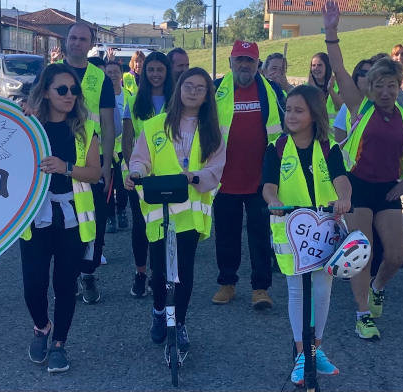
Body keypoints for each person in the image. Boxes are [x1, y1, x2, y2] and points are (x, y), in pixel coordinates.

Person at [323, 1, 403, 340]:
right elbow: (338, 69)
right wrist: (331, 31)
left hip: (387, 189)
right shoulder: (359, 106)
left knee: (396, 257)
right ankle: (362, 314)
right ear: (370, 86)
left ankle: (378, 287)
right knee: (362, 252)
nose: (385, 92)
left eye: (391, 86)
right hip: (357, 188)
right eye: (379, 85)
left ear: (399, 88)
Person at [125, 67, 226, 354]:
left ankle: (178, 322)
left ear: (207, 96)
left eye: (200, 88)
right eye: (188, 86)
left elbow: (216, 169)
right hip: (160, 211)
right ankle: (159, 312)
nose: (193, 92)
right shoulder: (155, 126)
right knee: (159, 271)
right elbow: (141, 159)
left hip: (191, 214)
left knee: (183, 272)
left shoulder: (212, 131)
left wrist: (194, 177)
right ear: (179, 89)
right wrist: (134, 173)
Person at [262, 85, 352, 386]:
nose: (291, 115)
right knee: (297, 291)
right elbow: (269, 185)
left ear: (314, 114)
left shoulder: (328, 148)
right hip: (290, 228)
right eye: (288, 109)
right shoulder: (276, 147)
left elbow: (342, 180)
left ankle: (316, 350)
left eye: (299, 110)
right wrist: (273, 202)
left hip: (325, 227)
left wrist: (344, 199)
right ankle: (303, 354)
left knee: (323, 292)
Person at [20, 63, 102, 373]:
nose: (70, 95)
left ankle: (60, 345)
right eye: (62, 90)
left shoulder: (85, 128)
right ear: (45, 92)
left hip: (72, 217)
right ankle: (42, 327)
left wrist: (65, 167)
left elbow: (95, 174)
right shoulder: (28, 125)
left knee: (65, 285)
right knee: (33, 286)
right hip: (33, 217)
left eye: (74, 90)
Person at [211, 40, 286, 309]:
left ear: (258, 65)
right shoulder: (216, 89)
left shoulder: (272, 90)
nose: (244, 65)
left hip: (261, 181)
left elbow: (286, 129)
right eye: (239, 59)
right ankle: (227, 283)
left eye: (250, 60)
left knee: (260, 237)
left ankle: (261, 288)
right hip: (224, 179)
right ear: (230, 62)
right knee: (226, 235)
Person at [53, 24, 116, 304]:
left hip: (89, 159)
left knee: (94, 219)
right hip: (56, 158)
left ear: (91, 44)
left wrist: (107, 163)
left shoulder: (99, 78)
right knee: (58, 221)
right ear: (66, 41)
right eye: (73, 38)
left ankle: (88, 272)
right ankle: (67, 274)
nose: (77, 43)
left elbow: (107, 123)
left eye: (83, 39)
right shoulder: (51, 73)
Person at [121, 51, 174, 298]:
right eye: (150, 70)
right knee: (141, 227)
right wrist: (132, 170)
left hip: (167, 174)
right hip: (140, 175)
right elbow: (128, 140)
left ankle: (159, 275)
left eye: (159, 70)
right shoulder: (133, 101)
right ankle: (141, 272)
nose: (154, 74)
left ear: (167, 72)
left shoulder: (176, 101)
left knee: (164, 225)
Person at [99, 56, 128, 234]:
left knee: (122, 184)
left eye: (115, 72)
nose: (112, 75)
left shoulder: (129, 95)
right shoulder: (101, 95)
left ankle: (122, 210)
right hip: (106, 149)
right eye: (108, 73)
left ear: (121, 75)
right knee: (107, 185)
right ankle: (110, 216)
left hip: (124, 148)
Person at [308, 52, 342, 130]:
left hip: (335, 135)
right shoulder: (306, 87)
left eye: (319, 65)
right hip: (315, 133)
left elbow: (340, 106)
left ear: (327, 67)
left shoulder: (338, 85)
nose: (316, 68)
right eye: (313, 65)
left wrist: (330, 90)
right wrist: (313, 89)